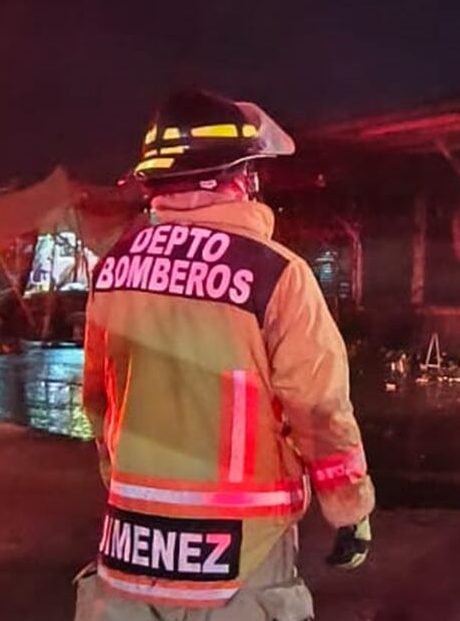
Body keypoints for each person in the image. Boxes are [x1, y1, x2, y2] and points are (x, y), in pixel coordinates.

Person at [76, 90, 374, 620]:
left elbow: (100, 398)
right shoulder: (276, 274)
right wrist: (350, 509)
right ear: (233, 177)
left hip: (129, 546)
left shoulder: (115, 267)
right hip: (241, 555)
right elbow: (319, 409)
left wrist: (132, 494)